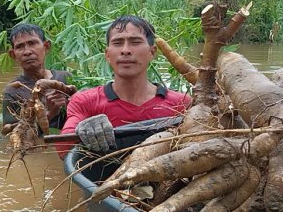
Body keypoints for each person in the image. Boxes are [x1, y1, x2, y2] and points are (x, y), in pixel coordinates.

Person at [56, 15, 191, 163]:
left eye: (135, 42)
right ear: (107, 54)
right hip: (102, 184)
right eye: (118, 43)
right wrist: (81, 129)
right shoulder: (85, 101)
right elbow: (63, 150)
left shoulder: (182, 103)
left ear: (152, 52)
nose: (125, 50)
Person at [1, 23, 70, 134]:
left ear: (46, 46)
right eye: (20, 46)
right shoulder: (12, 91)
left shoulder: (66, 78)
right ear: (13, 55)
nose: (27, 52)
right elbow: (11, 135)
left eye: (32, 43)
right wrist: (48, 114)